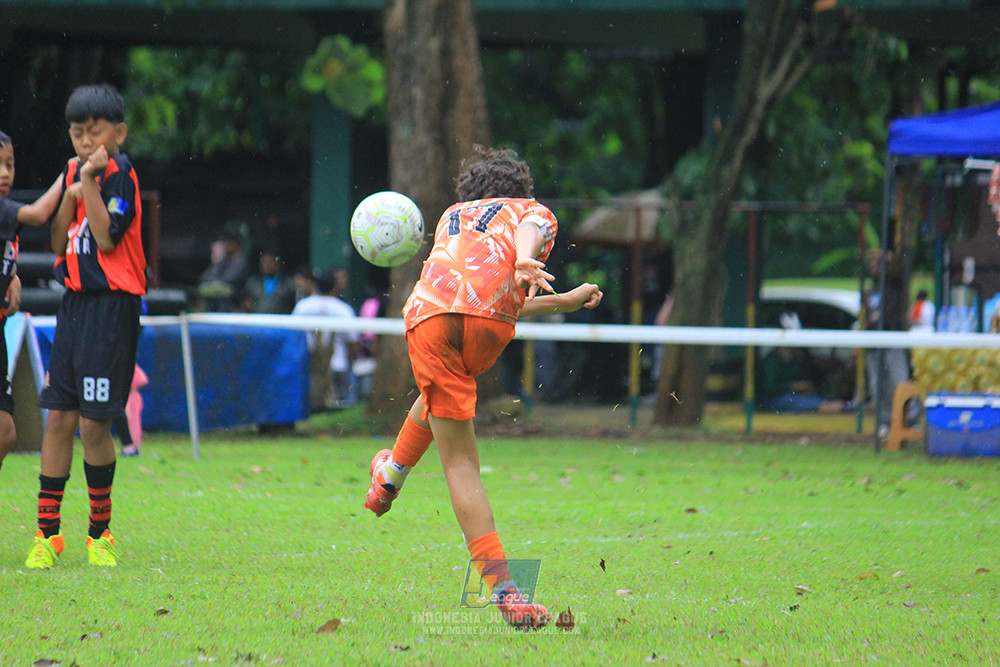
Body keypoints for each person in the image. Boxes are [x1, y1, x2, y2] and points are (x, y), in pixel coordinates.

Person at [362, 145, 603, 630]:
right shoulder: (533, 212)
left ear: (472, 194)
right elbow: (527, 236)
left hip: (428, 319)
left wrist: (564, 302)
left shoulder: (454, 215)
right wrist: (524, 261)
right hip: (485, 330)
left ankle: (391, 476)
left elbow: (487, 294)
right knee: (454, 443)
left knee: (446, 424)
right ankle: (505, 589)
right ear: (521, 191)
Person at [24, 84, 146, 569]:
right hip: (74, 304)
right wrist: (74, 190)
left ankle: (100, 534)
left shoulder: (122, 175)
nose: (84, 143)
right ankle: (46, 535)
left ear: (117, 132)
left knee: (95, 423)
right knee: (58, 418)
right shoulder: (74, 171)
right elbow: (59, 240)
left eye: (93, 133)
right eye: (76, 134)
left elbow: (107, 239)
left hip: (112, 309)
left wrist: (90, 184)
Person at [291, 268, 359, 411]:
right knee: (340, 408)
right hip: (338, 365)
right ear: (335, 287)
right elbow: (352, 343)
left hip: (308, 365)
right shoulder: (344, 310)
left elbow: (293, 337)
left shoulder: (303, 307)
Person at [757, 312, 847, 413]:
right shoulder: (772, 360)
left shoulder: (797, 358)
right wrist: (795, 386)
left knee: (825, 397)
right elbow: (770, 387)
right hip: (777, 399)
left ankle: (842, 406)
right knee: (806, 403)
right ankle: (833, 408)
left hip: (797, 396)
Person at [197, 230, 248, 311]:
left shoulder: (241, 261)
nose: (225, 246)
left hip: (234, 305)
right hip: (218, 305)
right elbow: (204, 277)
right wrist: (216, 263)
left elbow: (227, 280)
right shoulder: (223, 260)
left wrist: (213, 281)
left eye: (227, 243)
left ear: (235, 244)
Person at [241, 249, 297, 314]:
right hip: (258, 320)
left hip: (281, 321)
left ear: (278, 263)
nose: (266, 265)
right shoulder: (253, 282)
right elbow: (246, 302)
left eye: (270, 262)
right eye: (264, 262)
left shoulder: (289, 282)